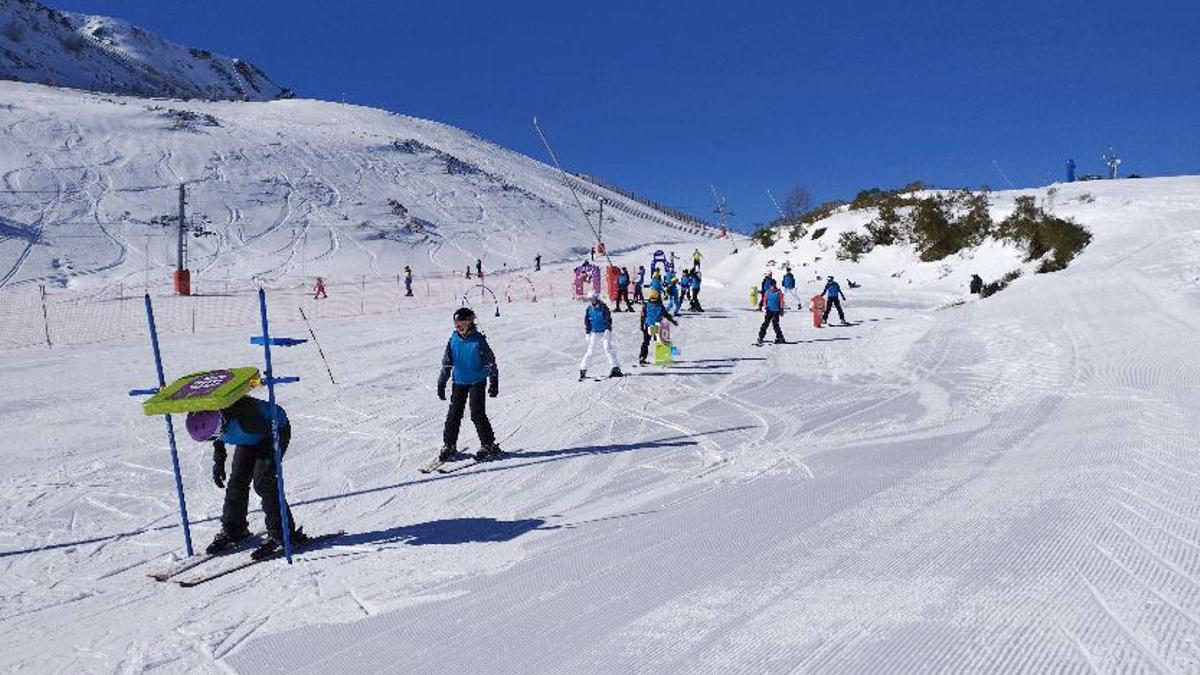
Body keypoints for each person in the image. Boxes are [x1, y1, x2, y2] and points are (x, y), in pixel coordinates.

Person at [186, 397, 307, 560]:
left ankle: (283, 535)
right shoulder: (216, 422)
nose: (215, 437)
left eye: (216, 432)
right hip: (248, 437)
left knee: (264, 481)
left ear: (220, 420)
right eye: (210, 436)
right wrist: (219, 461)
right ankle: (234, 530)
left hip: (273, 431)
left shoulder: (245, 420)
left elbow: (268, 439)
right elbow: (218, 439)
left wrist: (265, 465)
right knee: (237, 481)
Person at [436, 308, 501, 462]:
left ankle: (488, 444)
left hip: (477, 380)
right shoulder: (453, 339)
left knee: (477, 413)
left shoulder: (479, 340)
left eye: (462, 323)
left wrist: (494, 382)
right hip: (459, 381)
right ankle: (449, 445)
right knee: (454, 413)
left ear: (470, 322)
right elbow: (447, 363)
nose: (458, 327)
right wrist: (441, 381)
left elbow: (490, 363)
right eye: (456, 324)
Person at [579, 291, 623, 380]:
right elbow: (587, 321)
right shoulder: (589, 309)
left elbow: (608, 319)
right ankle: (583, 368)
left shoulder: (604, 308)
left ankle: (615, 367)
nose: (592, 301)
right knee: (591, 350)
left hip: (604, 331)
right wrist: (588, 332)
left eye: (593, 299)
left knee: (607, 348)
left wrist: (607, 329)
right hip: (595, 332)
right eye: (590, 299)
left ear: (597, 298)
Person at [639, 289, 678, 365]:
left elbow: (643, 317)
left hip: (650, 326)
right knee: (658, 341)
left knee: (647, 342)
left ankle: (644, 357)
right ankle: (660, 357)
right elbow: (666, 315)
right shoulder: (658, 306)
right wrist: (673, 321)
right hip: (655, 326)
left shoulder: (647, 305)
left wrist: (642, 326)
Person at [757, 279, 786, 345]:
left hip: (776, 311)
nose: (772, 287)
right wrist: (765, 306)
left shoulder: (778, 292)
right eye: (771, 286)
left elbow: (781, 301)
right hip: (769, 310)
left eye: (773, 286)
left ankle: (780, 337)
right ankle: (761, 336)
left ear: (775, 285)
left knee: (775, 325)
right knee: (765, 324)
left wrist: (781, 309)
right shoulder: (768, 292)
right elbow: (765, 300)